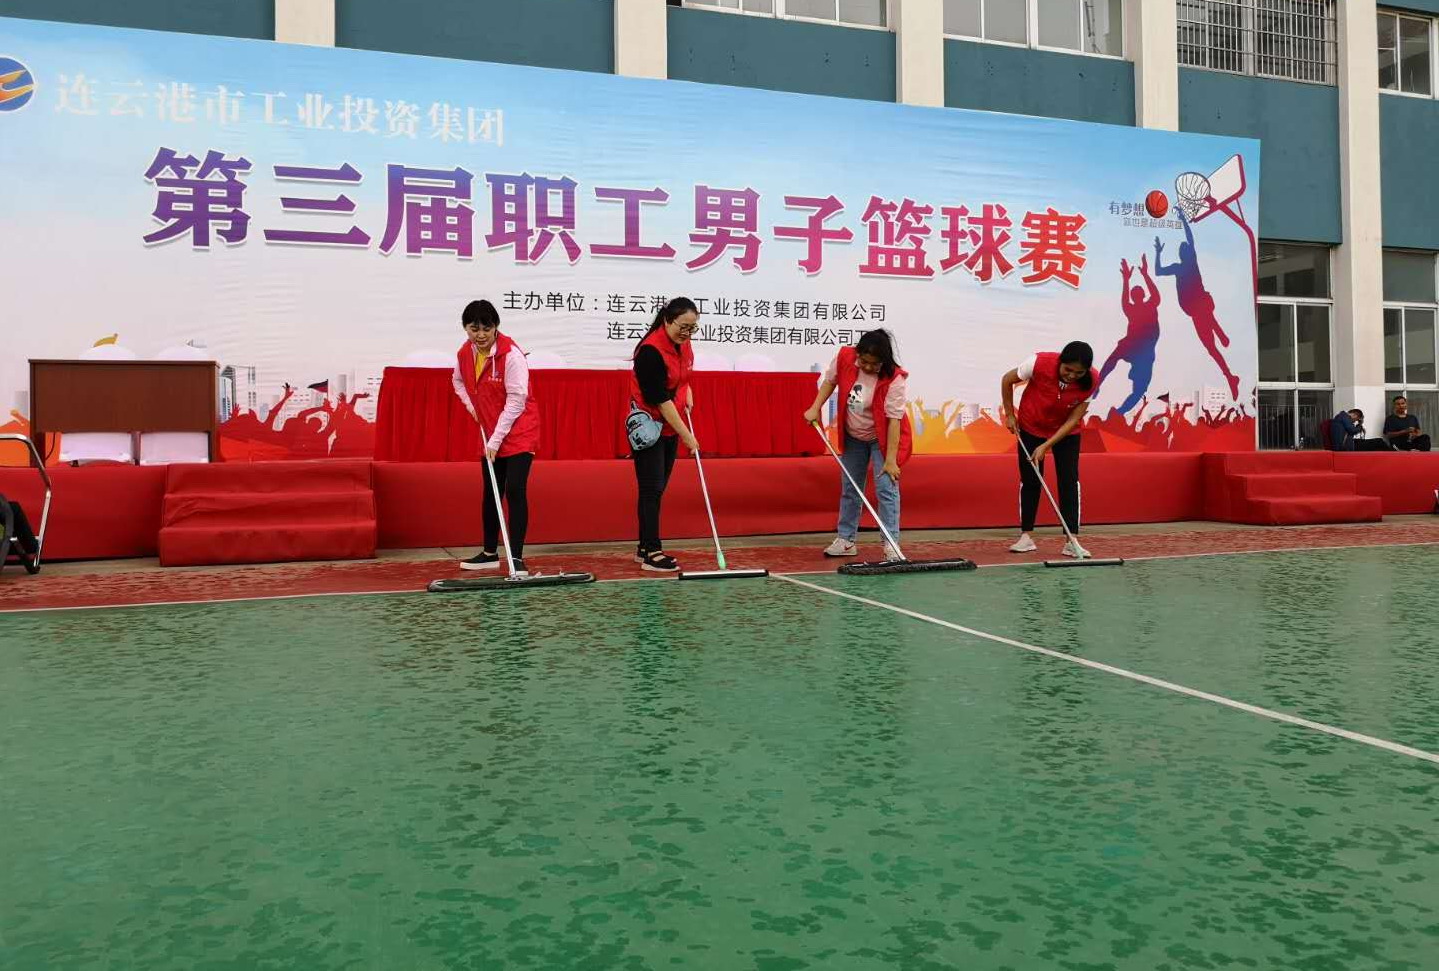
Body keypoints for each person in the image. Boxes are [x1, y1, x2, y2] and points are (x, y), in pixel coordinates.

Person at [803, 329, 912, 560]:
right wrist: (815, 407)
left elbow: (894, 421)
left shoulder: (895, 378)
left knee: (886, 488)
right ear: (858, 354)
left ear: (884, 361)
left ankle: (891, 543)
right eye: (864, 362)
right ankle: (846, 540)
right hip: (853, 435)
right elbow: (830, 382)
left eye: (875, 364)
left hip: (882, 439)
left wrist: (890, 460)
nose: (869, 367)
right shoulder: (845, 357)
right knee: (850, 487)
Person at [450, 299, 541, 573]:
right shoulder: (465, 353)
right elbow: (457, 381)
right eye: (473, 329)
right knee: (491, 491)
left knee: (514, 490)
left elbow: (516, 400)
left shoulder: (511, 355)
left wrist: (496, 439)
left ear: (496, 327)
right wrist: (472, 407)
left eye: (486, 329)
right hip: (491, 429)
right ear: (465, 328)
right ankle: (490, 553)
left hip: (520, 430)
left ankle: (516, 558)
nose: (480, 335)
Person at [1001, 341, 1097, 556]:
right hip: (1031, 426)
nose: (1072, 376)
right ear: (1060, 361)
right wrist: (1009, 414)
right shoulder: (1038, 363)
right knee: (1031, 479)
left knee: (1069, 481)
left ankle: (1071, 540)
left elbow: (1074, 419)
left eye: (1079, 373)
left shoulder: (1092, 380)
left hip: (1066, 432)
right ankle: (1026, 537)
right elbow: (1007, 380)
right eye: (1068, 369)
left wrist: (1046, 445)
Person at [630, 297, 701, 573]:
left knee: (657, 489)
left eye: (692, 328)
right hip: (650, 426)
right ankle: (652, 551)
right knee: (651, 489)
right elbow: (660, 399)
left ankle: (643, 546)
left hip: (670, 425)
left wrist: (687, 392)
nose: (687, 333)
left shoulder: (683, 343)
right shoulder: (649, 352)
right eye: (683, 327)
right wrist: (687, 436)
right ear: (667, 321)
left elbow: (682, 375)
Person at [1154, 208, 1242, 402]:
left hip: (1200, 306)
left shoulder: (1188, 264)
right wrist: (1158, 253)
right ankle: (1229, 374)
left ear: (1185, 253)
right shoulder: (1181, 267)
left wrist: (1183, 220)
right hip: (1198, 309)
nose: (1185, 251)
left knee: (1205, 317)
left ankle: (1221, 337)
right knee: (1211, 346)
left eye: (1185, 250)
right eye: (1184, 250)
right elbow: (1159, 271)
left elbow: (1190, 239)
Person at [1096, 255, 1160, 416]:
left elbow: (1127, 298)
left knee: (1115, 363)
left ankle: (1118, 410)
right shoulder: (1146, 306)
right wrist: (1143, 275)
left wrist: (1127, 279)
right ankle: (1116, 407)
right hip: (1137, 347)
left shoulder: (1138, 307)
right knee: (1138, 388)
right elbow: (1152, 294)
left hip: (1141, 349)